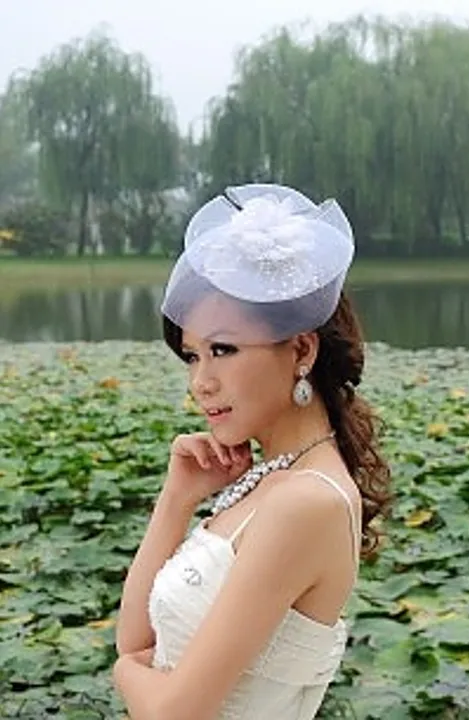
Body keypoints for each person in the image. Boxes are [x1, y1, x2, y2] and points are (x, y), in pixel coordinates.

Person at [111, 183, 391, 720]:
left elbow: (171, 712)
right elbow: (135, 637)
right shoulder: (271, 481)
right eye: (192, 356)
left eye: (223, 349)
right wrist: (177, 498)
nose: (201, 383)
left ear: (302, 349)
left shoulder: (307, 501)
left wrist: (126, 673)